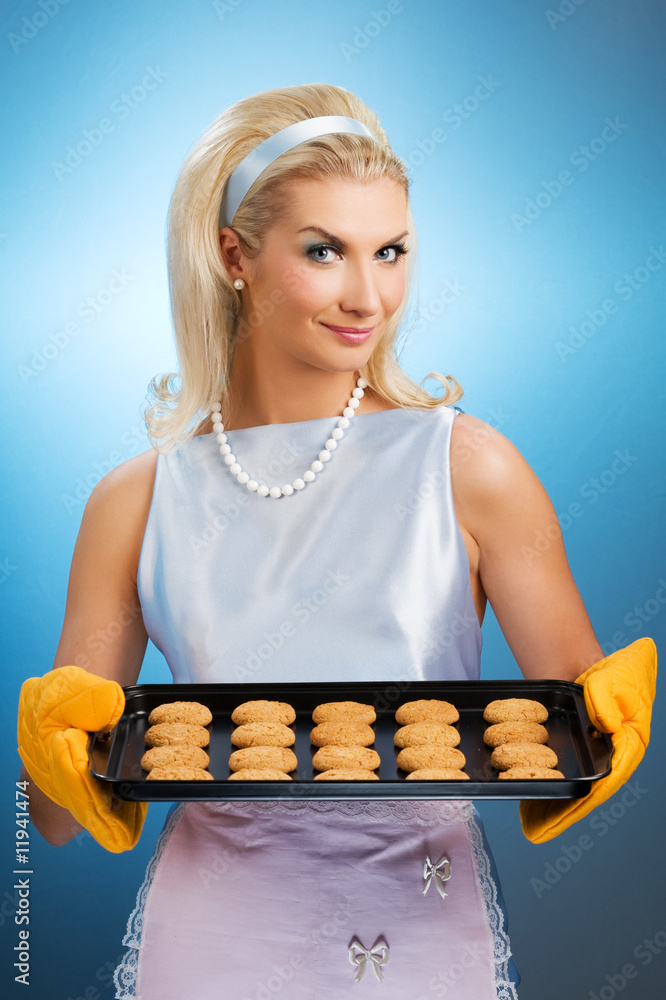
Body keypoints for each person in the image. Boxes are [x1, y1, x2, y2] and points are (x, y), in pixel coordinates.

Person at [17, 83, 656, 999]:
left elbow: (573, 736)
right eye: (325, 251)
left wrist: (617, 721)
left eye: (391, 252)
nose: (371, 296)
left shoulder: (471, 468)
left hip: (420, 919)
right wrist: (48, 750)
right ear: (233, 255)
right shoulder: (135, 501)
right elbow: (51, 817)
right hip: (212, 937)